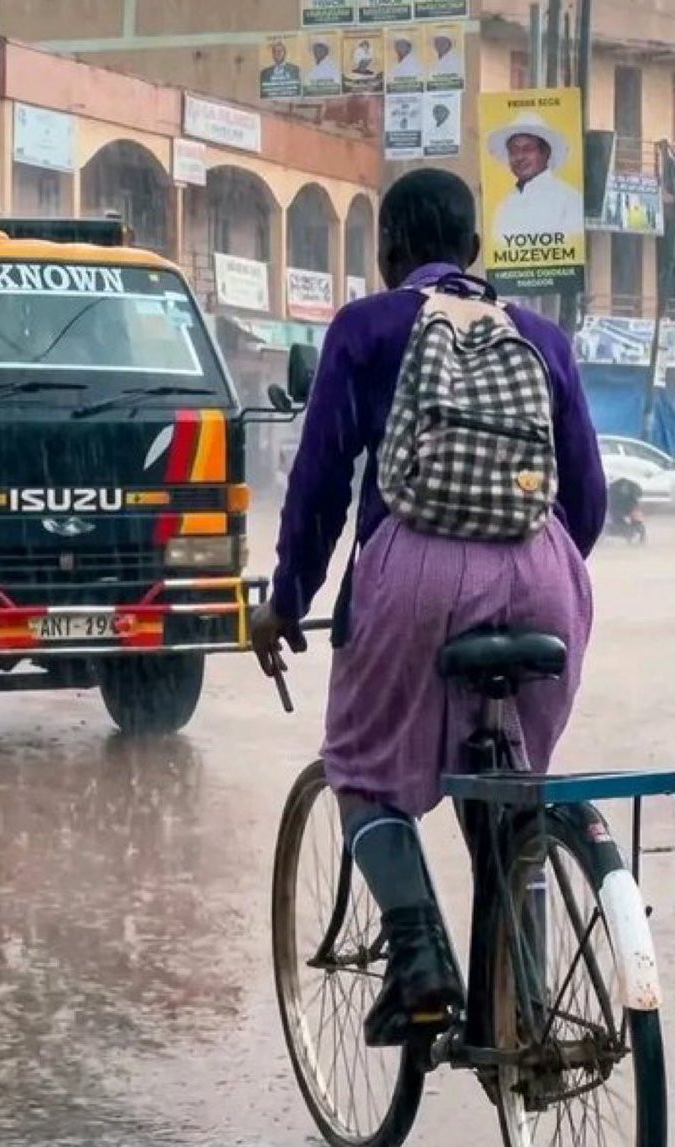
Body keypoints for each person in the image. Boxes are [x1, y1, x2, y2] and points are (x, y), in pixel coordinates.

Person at [250, 168, 606, 1048]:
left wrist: (287, 599)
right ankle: (521, 1011)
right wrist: (519, 568)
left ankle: (419, 967)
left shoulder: (367, 328)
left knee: (363, 772)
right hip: (547, 581)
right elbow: (587, 502)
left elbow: (322, 484)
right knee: (512, 791)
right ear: (478, 252)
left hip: (413, 576)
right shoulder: (541, 337)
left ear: (387, 255)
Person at [488, 111, 584, 240]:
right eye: (514, 150)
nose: (520, 157)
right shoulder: (505, 205)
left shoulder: (569, 200)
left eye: (528, 149)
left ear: (546, 153)